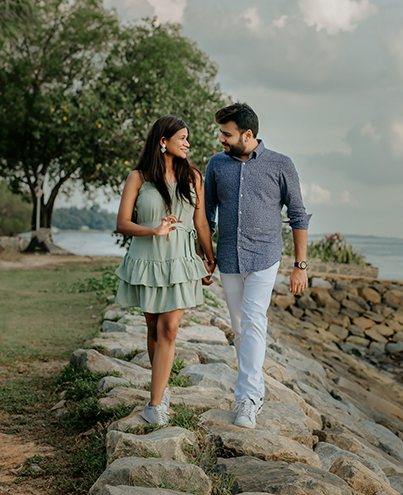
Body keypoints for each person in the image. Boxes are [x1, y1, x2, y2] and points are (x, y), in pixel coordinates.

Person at [204, 102, 310, 429]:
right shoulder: (216, 165)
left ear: (247, 134)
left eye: (227, 133)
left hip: (265, 257)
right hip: (229, 258)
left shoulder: (281, 165)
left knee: (253, 320)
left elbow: (298, 215)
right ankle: (255, 389)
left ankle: (247, 399)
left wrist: (300, 265)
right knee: (240, 328)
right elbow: (206, 216)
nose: (221, 139)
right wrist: (205, 259)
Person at [115, 115, 216, 425]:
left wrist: (209, 258)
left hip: (181, 261)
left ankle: (154, 405)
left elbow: (200, 222)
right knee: (153, 330)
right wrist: (153, 230)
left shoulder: (194, 177)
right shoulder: (139, 177)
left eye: (188, 138)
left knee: (168, 328)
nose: (187, 143)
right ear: (163, 141)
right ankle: (162, 386)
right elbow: (122, 224)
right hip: (147, 260)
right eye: (182, 137)